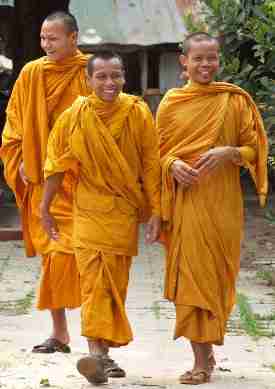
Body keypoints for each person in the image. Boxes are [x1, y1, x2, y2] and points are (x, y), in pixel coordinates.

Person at [40, 50, 161, 384]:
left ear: (125, 76)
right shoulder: (75, 115)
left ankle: (103, 355)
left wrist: (156, 210)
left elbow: (151, 164)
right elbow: (56, 165)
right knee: (94, 286)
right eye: (102, 77)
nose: (110, 83)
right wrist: (44, 208)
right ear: (89, 80)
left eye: (116, 76)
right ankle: (98, 355)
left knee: (114, 288)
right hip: (88, 211)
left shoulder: (137, 113)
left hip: (122, 213)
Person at [157, 32, 268, 385]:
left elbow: (254, 149)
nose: (206, 65)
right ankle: (201, 360)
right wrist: (171, 164)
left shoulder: (233, 102)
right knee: (192, 281)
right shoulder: (171, 103)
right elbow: (154, 154)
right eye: (199, 58)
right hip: (186, 204)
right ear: (184, 62)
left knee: (216, 281)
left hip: (223, 206)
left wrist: (229, 153)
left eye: (212, 58)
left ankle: (208, 352)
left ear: (218, 60)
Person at [0, 11, 91, 353]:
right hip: (43, 179)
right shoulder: (31, 73)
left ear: (73, 38)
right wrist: (22, 156)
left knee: (85, 255)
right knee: (53, 254)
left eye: (53, 38)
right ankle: (60, 332)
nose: (46, 45)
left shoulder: (91, 72)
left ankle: (97, 333)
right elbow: (15, 121)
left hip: (82, 180)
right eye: (43, 38)